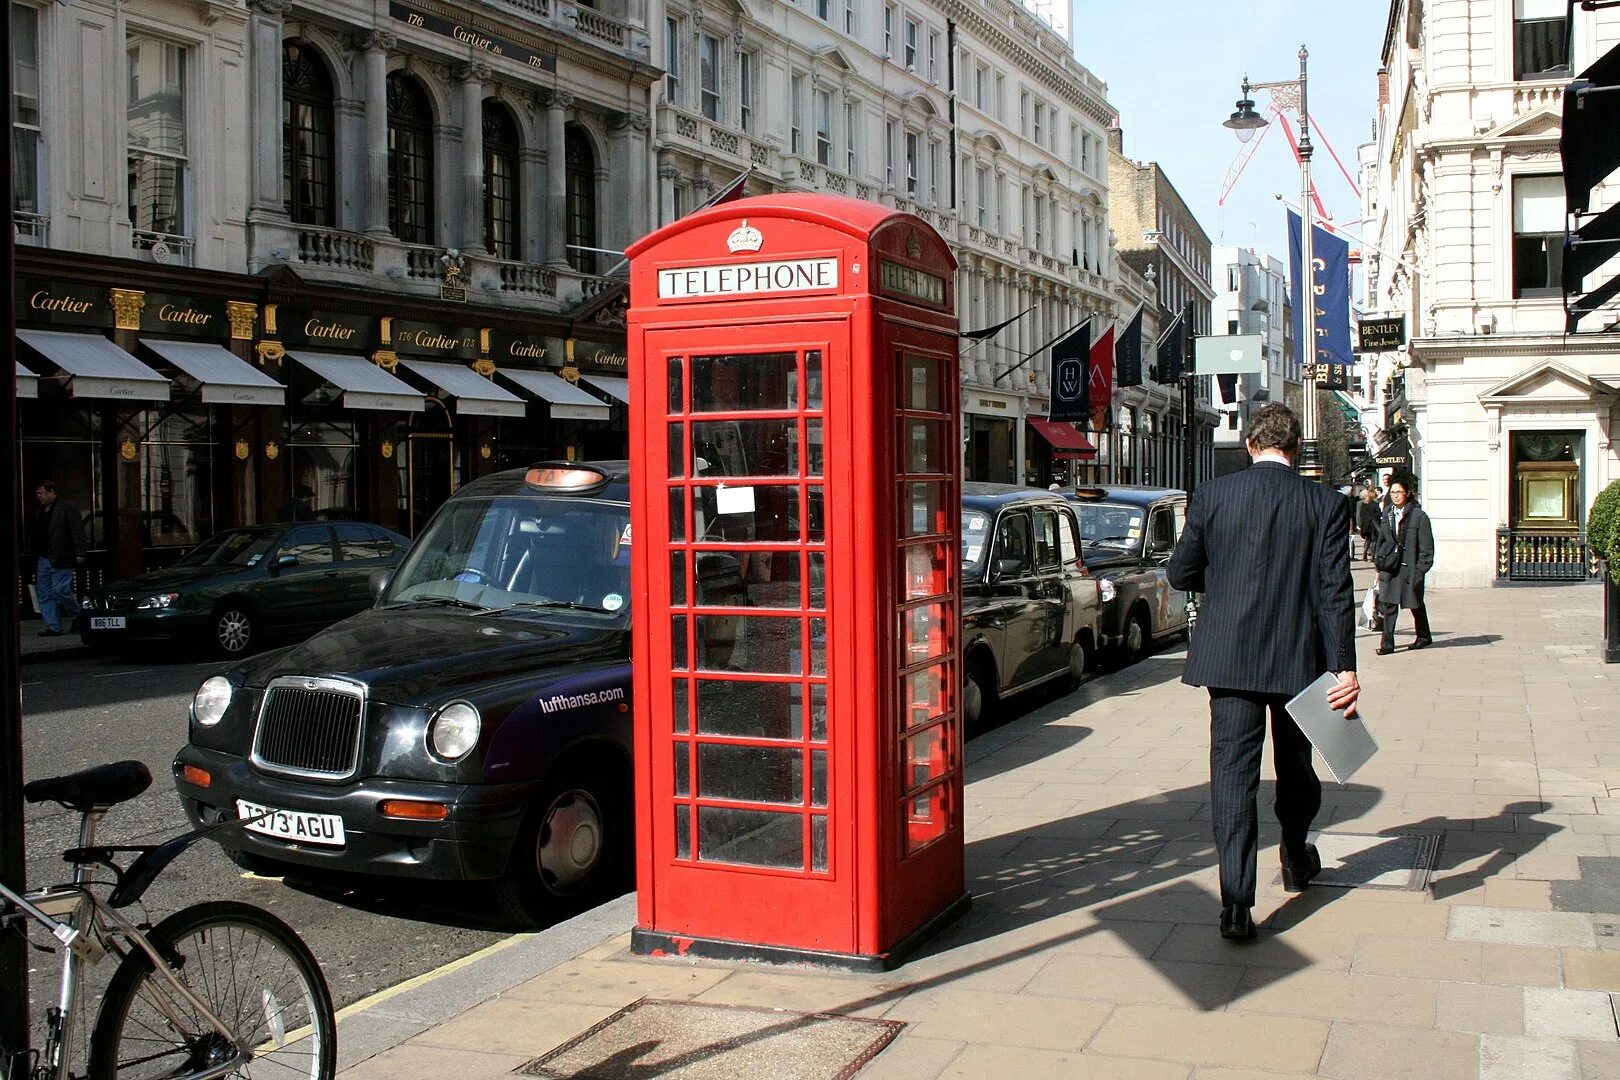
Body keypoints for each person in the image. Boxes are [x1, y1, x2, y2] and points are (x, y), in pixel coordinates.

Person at [1166, 403, 1359, 942]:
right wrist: (1344, 667)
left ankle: (1234, 905)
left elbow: (1182, 573)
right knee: (1296, 770)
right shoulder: (1324, 503)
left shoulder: (1214, 496)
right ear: (1294, 451)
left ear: (1251, 446)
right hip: (1299, 661)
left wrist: (1222, 573)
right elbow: (1334, 593)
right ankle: (1296, 855)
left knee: (1232, 777)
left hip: (1228, 661)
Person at [1374, 477, 1434, 654]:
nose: (1395, 496)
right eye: (1392, 492)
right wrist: (1379, 564)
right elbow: (1381, 540)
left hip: (1410, 568)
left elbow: (1426, 547)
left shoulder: (1419, 516)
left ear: (1407, 493)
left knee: (1415, 604)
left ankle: (1423, 636)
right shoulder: (1387, 513)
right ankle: (1387, 644)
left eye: (1399, 492)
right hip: (1390, 567)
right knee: (1388, 605)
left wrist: (1421, 570)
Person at [28, 480, 87, 636]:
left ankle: (80, 614)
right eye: (37, 493)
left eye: (41, 493)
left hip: (62, 556)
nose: (39, 496)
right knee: (45, 593)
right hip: (43, 557)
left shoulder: (67, 507)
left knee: (60, 590)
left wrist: (80, 553)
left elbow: (77, 531)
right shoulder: (39, 511)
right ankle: (53, 625)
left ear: (51, 492)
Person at [1357, 488, 1382, 562]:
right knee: (1374, 540)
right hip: (1373, 525)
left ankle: (1364, 555)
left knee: (1367, 540)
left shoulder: (1363, 504)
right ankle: (1373, 556)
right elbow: (1379, 514)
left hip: (1366, 525)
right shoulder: (1375, 504)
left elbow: (1361, 515)